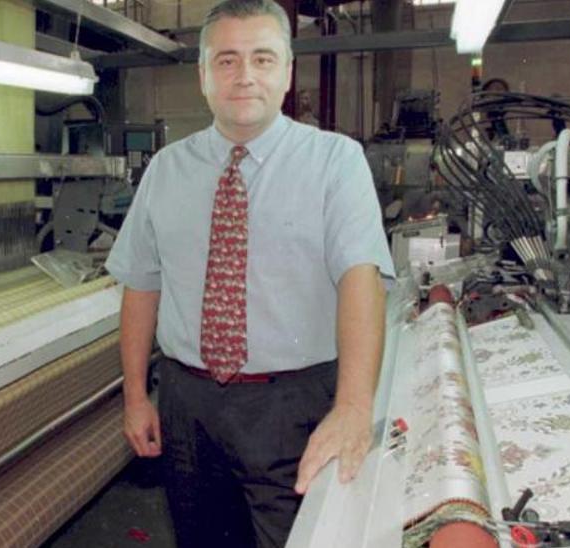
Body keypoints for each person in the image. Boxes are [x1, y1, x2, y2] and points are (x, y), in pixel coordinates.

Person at [104, 1, 395, 546]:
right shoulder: (167, 169)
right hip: (187, 405)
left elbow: (362, 277)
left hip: (292, 405)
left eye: (262, 59)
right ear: (203, 75)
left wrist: (354, 407)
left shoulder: (336, 161)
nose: (245, 77)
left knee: (296, 539)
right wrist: (137, 395)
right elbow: (141, 284)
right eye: (227, 60)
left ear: (286, 72)